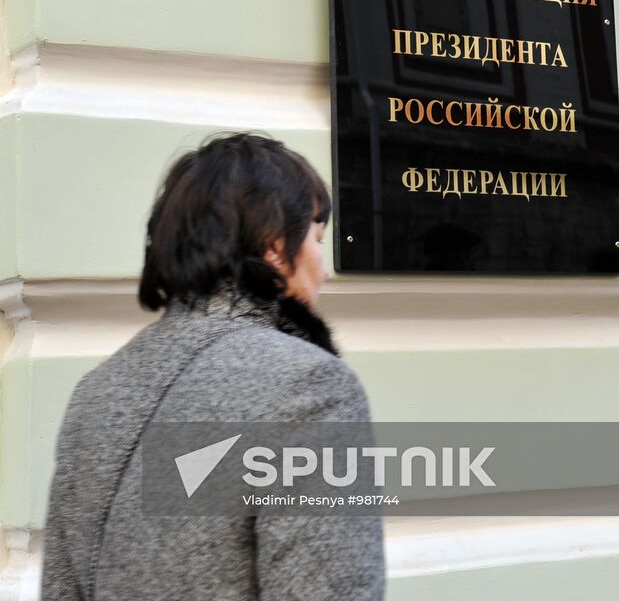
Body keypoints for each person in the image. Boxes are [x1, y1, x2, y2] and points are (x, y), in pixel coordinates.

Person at [41, 132, 386, 600]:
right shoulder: (309, 387)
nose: (323, 270)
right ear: (273, 243)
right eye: (317, 239)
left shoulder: (97, 391)